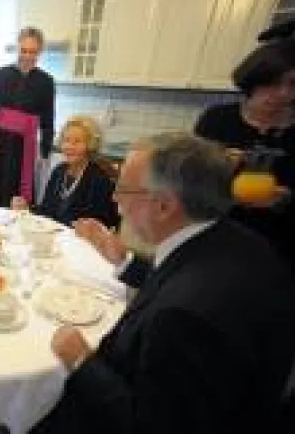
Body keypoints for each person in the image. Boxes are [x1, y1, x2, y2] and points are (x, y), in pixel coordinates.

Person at [31, 133, 295, 433]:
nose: (114, 198)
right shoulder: (237, 240)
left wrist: (81, 359)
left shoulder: (183, 320)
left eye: (123, 188)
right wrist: (125, 261)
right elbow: (180, 277)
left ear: (163, 207)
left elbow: (147, 423)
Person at [195, 33, 295, 268]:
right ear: (252, 79)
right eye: (271, 83)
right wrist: (218, 167)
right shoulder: (217, 120)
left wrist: (287, 199)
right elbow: (189, 179)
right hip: (215, 238)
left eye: (292, 84)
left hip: (278, 248)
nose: (283, 93)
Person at [0, 27, 55, 207]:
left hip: (24, 149)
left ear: (40, 52)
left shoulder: (46, 82)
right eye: (23, 50)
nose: (27, 56)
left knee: (18, 204)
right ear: (17, 48)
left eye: (32, 52)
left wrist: (45, 152)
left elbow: (48, 121)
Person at [11, 116, 119, 228]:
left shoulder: (99, 179)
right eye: (66, 140)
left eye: (77, 142)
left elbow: (99, 224)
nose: (69, 147)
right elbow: (46, 210)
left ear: (90, 145)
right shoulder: (58, 171)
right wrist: (27, 207)